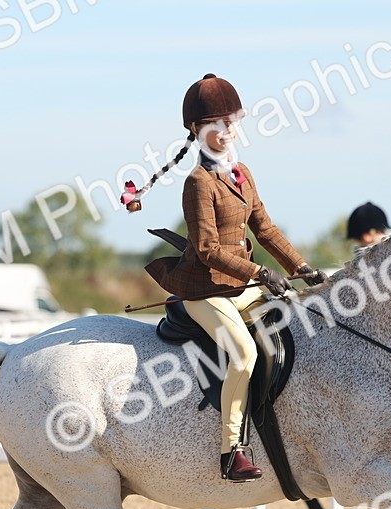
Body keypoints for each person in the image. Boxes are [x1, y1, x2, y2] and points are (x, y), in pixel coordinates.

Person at [128, 73, 325, 482]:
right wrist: (260, 272)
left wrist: (301, 268)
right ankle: (231, 450)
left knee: (308, 322)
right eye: (216, 125)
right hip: (206, 289)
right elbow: (206, 250)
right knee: (244, 354)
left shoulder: (243, 173)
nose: (227, 131)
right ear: (198, 130)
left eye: (231, 122)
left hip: (243, 286)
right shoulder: (198, 183)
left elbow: (265, 229)